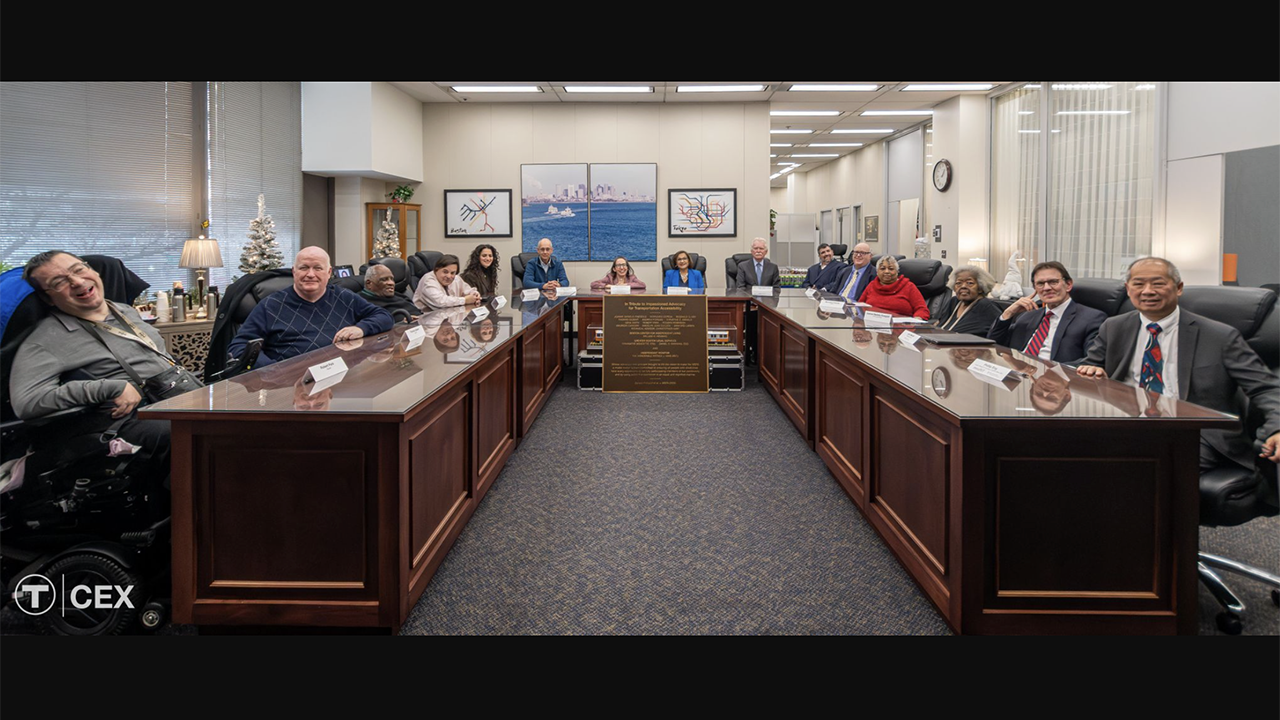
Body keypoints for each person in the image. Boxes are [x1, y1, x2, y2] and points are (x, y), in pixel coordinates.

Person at [1077, 257, 1280, 471]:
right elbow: (1091, 366)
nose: (1147, 291)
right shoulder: (1113, 327)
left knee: (1143, 465)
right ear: (1128, 289)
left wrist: (1277, 428)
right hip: (1127, 424)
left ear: (1179, 288)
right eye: (1138, 284)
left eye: (1158, 283)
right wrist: (1092, 371)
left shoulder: (1220, 336)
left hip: (1192, 431)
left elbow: (1265, 388)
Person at [10, 251, 177, 500]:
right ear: (49, 299)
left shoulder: (124, 312)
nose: (76, 282)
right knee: (191, 434)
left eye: (78, 270)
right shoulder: (46, 339)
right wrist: (109, 387)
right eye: (59, 282)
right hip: (122, 423)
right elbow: (27, 402)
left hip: (169, 400)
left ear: (94, 271)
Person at [228, 246, 393, 368]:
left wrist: (361, 329)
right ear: (294, 272)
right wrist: (272, 370)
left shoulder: (343, 296)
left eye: (318, 268)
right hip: (289, 383)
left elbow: (384, 317)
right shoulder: (271, 305)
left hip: (335, 375)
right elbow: (239, 346)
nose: (310, 274)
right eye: (304, 268)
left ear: (329, 273)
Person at [987, 260, 1105, 364]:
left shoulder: (1092, 318)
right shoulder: (1027, 316)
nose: (1047, 288)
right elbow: (994, 346)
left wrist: (1052, 373)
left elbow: (1091, 361)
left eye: (1053, 282)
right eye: (1040, 284)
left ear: (1068, 285)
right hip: (1024, 379)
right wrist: (1008, 314)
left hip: (1059, 383)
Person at [935, 265, 1001, 337]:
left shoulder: (986, 305)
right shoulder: (954, 302)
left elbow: (998, 334)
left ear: (981, 288)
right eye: (958, 283)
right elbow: (939, 324)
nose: (963, 286)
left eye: (970, 283)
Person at [861, 255, 929, 320]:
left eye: (891, 269)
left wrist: (916, 320)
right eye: (882, 268)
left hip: (900, 328)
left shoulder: (909, 286)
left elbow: (922, 309)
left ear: (897, 272)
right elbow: (860, 306)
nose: (887, 271)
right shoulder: (872, 285)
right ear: (877, 272)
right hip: (874, 327)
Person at [413, 253, 482, 311]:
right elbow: (440, 302)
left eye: (452, 273)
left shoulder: (456, 278)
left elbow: (468, 290)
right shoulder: (428, 280)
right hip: (428, 321)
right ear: (436, 269)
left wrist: (475, 295)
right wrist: (465, 300)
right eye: (445, 272)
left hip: (448, 319)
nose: (449, 276)